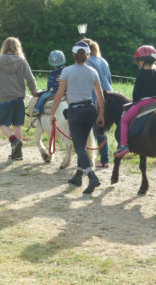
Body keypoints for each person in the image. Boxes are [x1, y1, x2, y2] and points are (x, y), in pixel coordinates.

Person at [50, 41, 105, 194]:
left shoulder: (67, 71)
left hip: (75, 111)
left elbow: (59, 94)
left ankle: (91, 176)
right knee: (83, 143)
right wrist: (100, 115)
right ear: (88, 55)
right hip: (90, 110)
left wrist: (53, 113)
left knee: (79, 146)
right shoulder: (93, 71)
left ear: (73, 55)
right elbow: (100, 97)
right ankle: (78, 175)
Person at [0, 36, 37, 160]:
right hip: (19, 97)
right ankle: (18, 154)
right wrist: (35, 93)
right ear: (17, 47)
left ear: (4, 47)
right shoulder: (22, 61)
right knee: (17, 125)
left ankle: (14, 141)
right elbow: (31, 79)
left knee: (2, 124)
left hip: (5, 97)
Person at [114, 45, 156, 158]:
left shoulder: (141, 74)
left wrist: (135, 102)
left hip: (143, 103)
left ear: (141, 61)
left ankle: (124, 146)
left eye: (138, 61)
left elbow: (136, 94)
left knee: (124, 120)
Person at [83, 38, 112, 168]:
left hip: (96, 97)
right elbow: (109, 80)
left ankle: (104, 159)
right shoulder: (103, 61)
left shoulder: (87, 61)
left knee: (98, 128)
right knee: (100, 128)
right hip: (109, 96)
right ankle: (103, 157)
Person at [32, 50, 66, 116]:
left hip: (55, 92)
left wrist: (48, 89)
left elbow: (49, 85)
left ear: (51, 63)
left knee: (43, 96)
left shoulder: (52, 73)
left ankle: (36, 109)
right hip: (66, 91)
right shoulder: (67, 70)